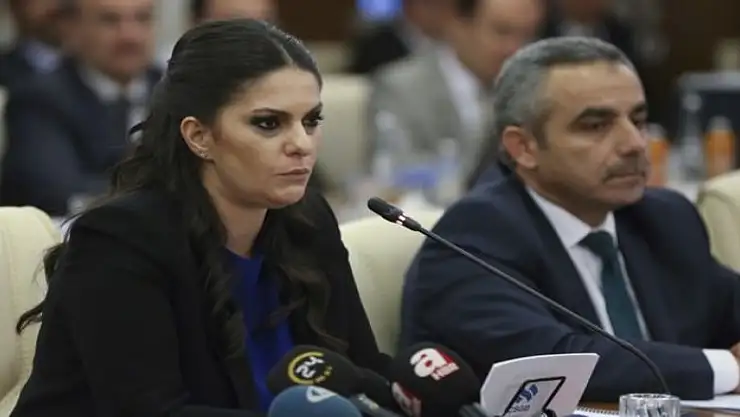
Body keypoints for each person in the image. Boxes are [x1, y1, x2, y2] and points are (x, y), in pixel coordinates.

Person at [11, 19, 387, 417]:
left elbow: (360, 369)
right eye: (268, 123)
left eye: (311, 121)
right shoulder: (119, 240)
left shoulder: (306, 220)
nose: (301, 144)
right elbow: (150, 412)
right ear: (198, 136)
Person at [401, 37, 740, 401]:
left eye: (638, 120)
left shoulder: (663, 218)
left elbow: (729, 306)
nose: (634, 144)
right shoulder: (474, 235)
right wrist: (727, 368)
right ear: (524, 147)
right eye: (596, 126)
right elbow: (555, 361)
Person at [1, 0, 161, 216]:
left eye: (142, 19)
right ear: (71, 28)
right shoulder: (38, 99)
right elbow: (58, 192)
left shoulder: (176, 91)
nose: (130, 36)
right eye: (110, 21)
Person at [365, 0, 542, 177]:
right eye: (502, 32)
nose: (515, 49)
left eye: (527, 36)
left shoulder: (533, 92)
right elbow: (394, 169)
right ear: (458, 26)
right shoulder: (400, 88)